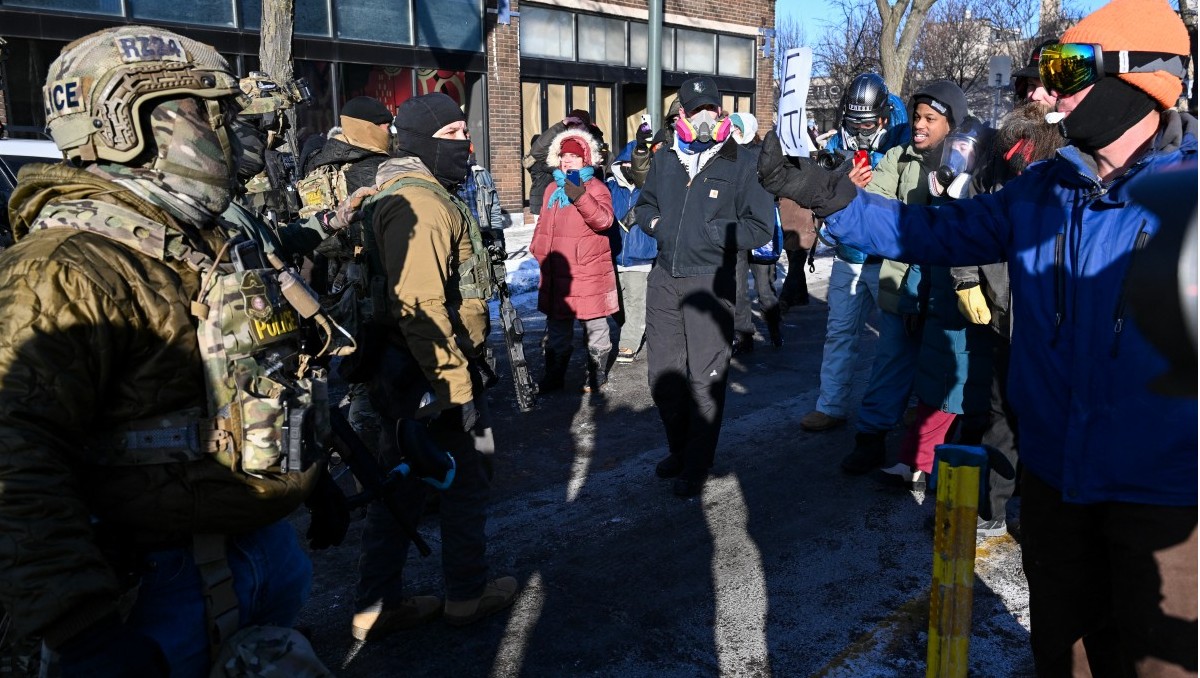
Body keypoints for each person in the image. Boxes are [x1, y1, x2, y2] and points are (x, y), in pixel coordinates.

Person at [758, 0, 1196, 672]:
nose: (1044, 89)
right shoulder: (1044, 188)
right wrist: (834, 199)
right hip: (1053, 481)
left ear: (1140, 77)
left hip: (1166, 498)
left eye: (1066, 69)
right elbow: (932, 233)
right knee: (1066, 659)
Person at [0, 26, 337, 677]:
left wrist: (303, 480)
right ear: (130, 125)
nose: (230, 133)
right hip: (155, 586)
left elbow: (254, 383)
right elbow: (17, 455)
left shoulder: (200, 240)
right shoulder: (64, 266)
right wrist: (82, 628)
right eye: (208, 111)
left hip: (255, 549)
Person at [352, 92, 517, 641]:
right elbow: (421, 308)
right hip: (430, 374)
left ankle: (376, 606)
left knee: (398, 487)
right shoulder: (421, 205)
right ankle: (466, 596)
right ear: (421, 141)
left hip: (405, 371)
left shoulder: (401, 192)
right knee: (465, 482)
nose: (465, 145)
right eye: (451, 136)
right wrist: (458, 391)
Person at [635, 76, 775, 497]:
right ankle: (680, 449)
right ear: (680, 116)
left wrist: (715, 234)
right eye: (694, 110)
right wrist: (655, 225)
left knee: (705, 377)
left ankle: (697, 463)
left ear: (721, 113)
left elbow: (760, 226)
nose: (702, 117)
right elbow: (645, 205)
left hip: (712, 280)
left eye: (710, 109)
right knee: (663, 375)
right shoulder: (665, 160)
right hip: (664, 277)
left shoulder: (743, 162)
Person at [839, 81, 968, 487]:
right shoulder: (899, 156)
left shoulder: (972, 161)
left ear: (952, 123)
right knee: (891, 362)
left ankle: (935, 452)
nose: (919, 125)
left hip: (949, 291)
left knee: (946, 371)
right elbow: (877, 206)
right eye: (916, 117)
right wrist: (853, 194)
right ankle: (871, 437)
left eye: (931, 119)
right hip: (903, 284)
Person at [800, 72, 909, 432]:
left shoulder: (902, 144)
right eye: (852, 123)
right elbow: (820, 196)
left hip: (886, 260)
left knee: (894, 340)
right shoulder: (837, 148)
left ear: (882, 118)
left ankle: (895, 407)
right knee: (840, 332)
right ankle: (830, 404)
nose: (859, 131)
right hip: (848, 256)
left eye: (866, 124)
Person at [530, 125, 618, 393]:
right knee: (557, 326)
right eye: (563, 155)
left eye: (574, 156)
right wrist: (537, 248)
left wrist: (579, 196)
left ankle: (597, 373)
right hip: (559, 271)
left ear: (586, 159)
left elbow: (604, 220)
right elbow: (543, 224)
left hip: (587, 268)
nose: (567, 160)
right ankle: (554, 375)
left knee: (594, 323)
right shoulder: (550, 190)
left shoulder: (596, 187)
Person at [729, 112, 783, 351]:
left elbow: (776, 187)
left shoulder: (763, 155)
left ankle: (774, 329)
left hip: (760, 228)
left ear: (747, 130)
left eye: (737, 129)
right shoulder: (726, 156)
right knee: (738, 288)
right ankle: (744, 334)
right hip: (737, 229)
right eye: (731, 129)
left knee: (764, 288)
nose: (733, 133)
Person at [608, 140, 657, 364]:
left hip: (641, 255)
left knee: (637, 301)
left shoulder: (652, 188)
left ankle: (628, 342)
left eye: (633, 163)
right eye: (625, 163)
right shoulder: (610, 187)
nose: (630, 167)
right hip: (614, 255)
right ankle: (634, 326)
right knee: (617, 303)